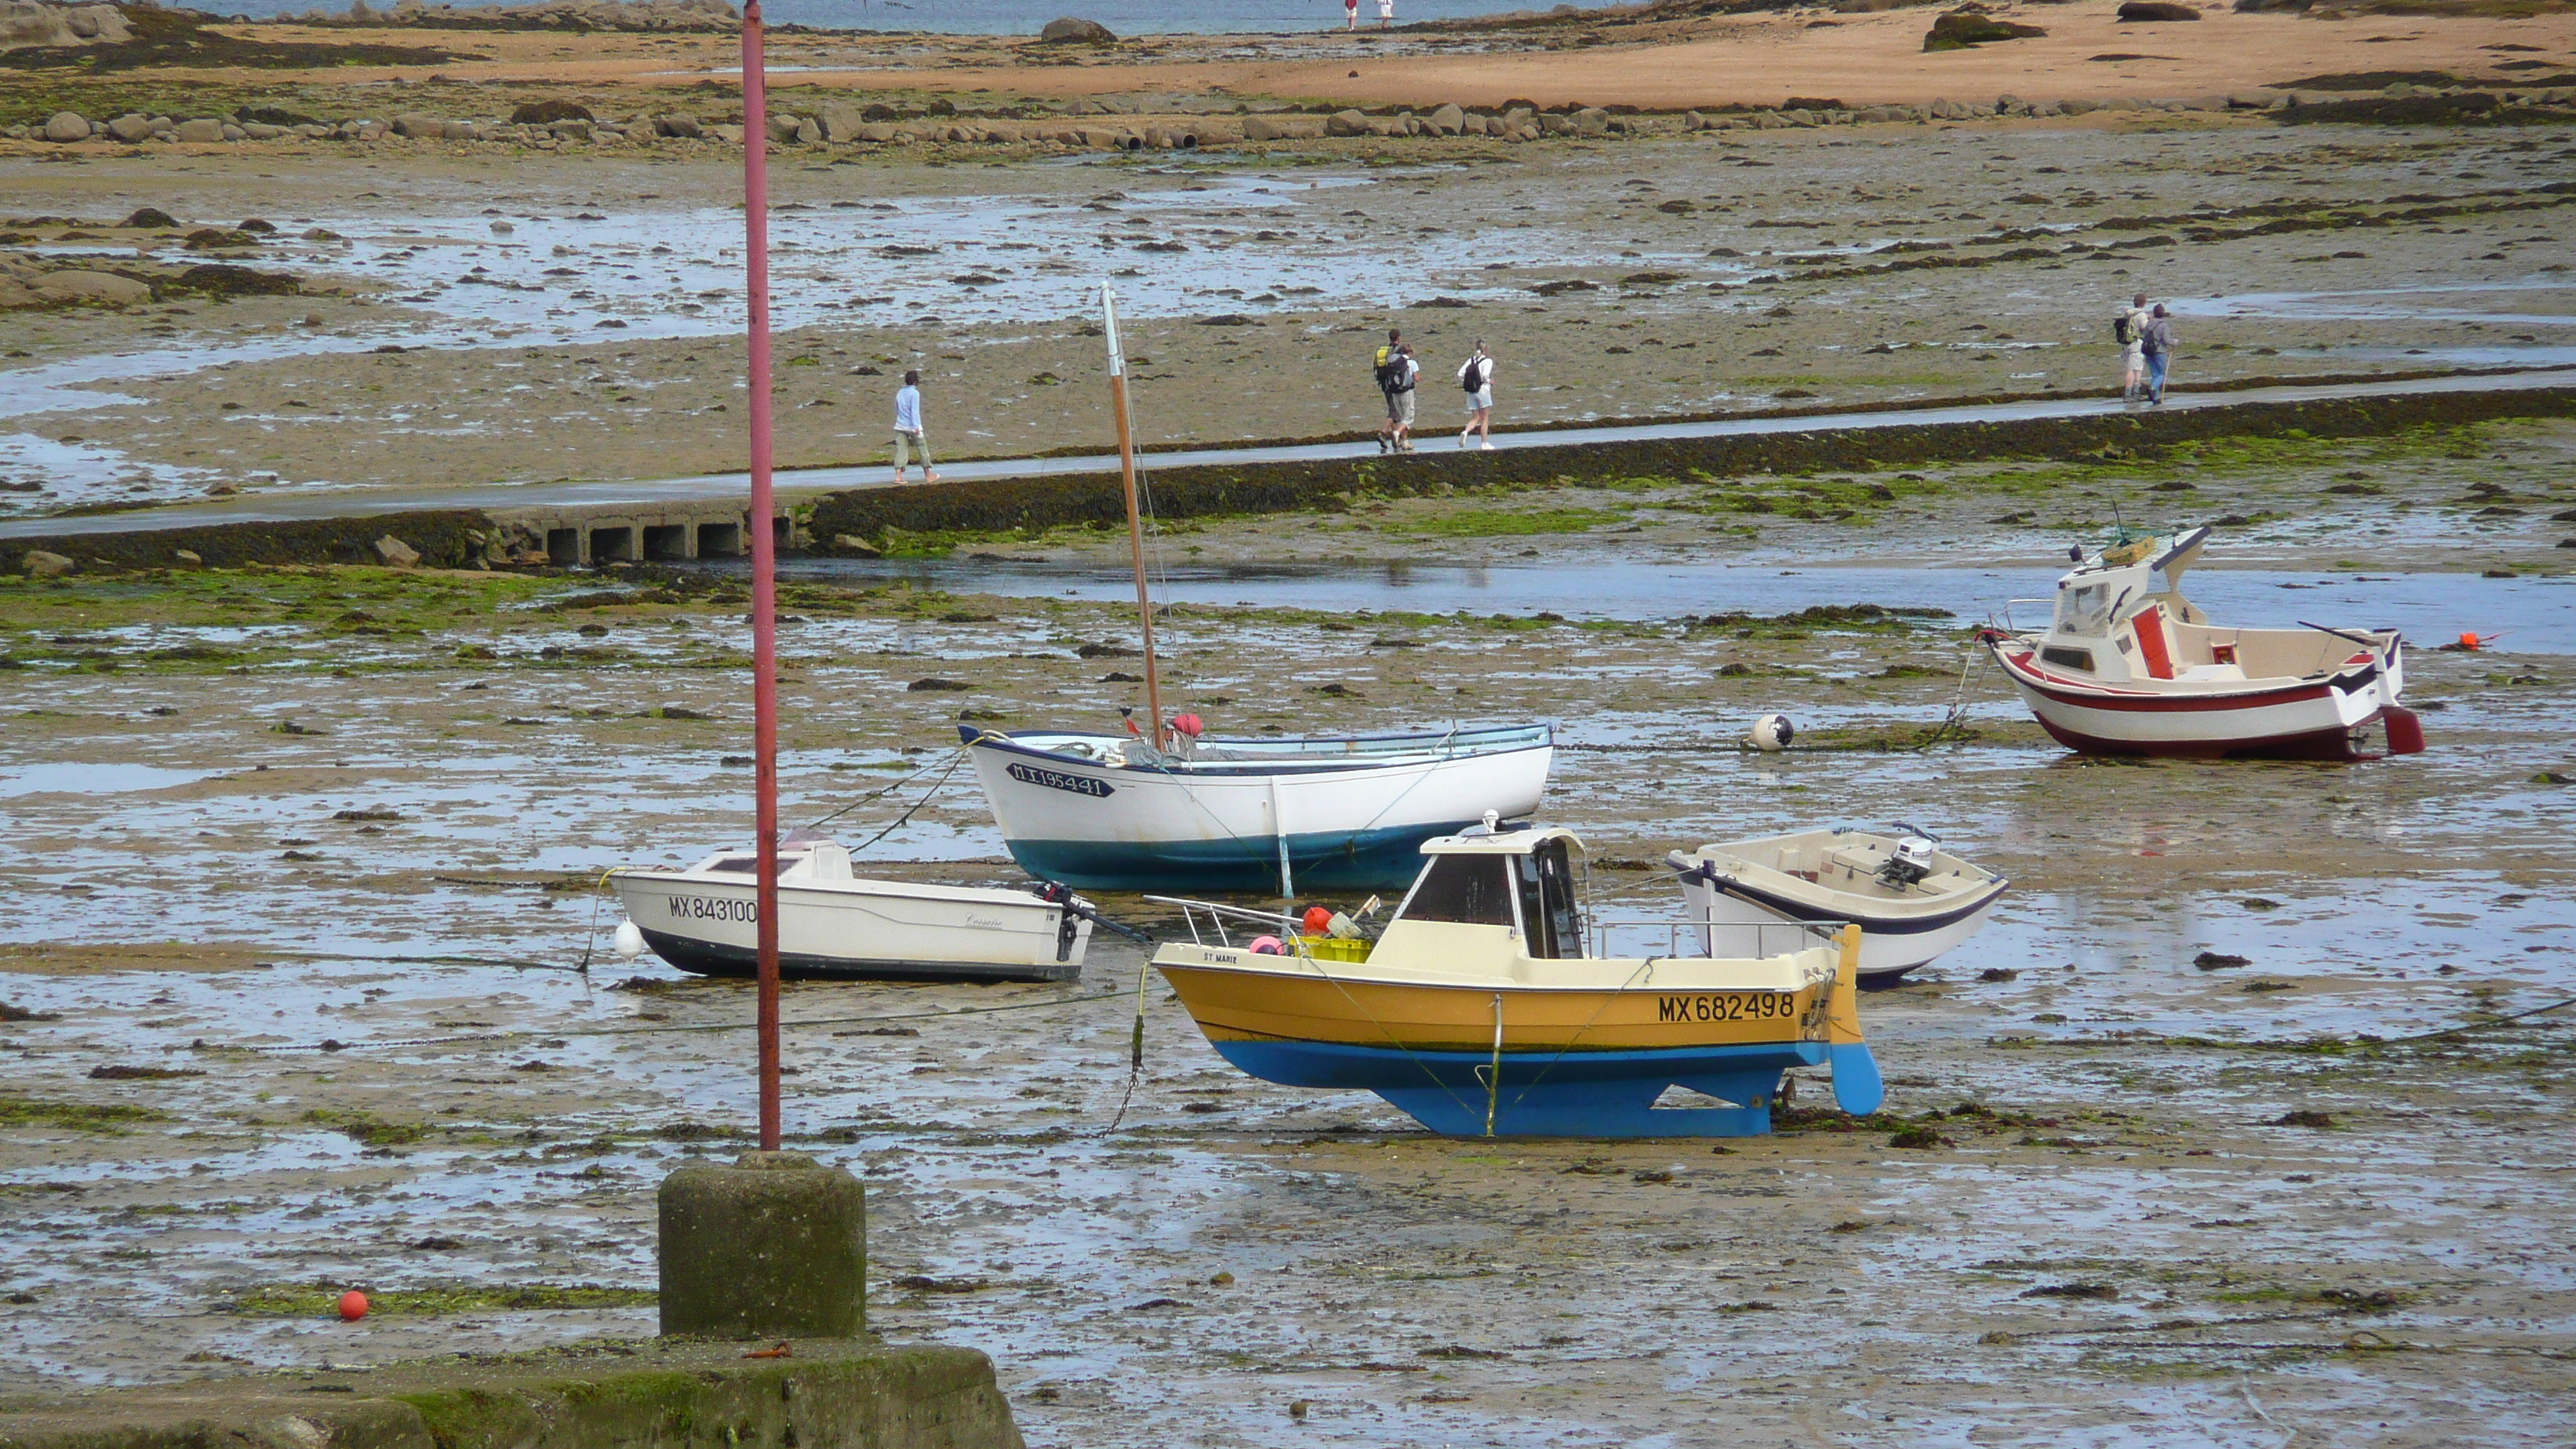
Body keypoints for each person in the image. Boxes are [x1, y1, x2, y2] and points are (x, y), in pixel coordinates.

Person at [892, 369, 937, 484]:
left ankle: (898, 477)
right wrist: (916, 427)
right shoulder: (915, 393)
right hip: (912, 426)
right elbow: (914, 411)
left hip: (900, 426)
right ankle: (928, 475)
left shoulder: (900, 392)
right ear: (916, 381)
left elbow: (897, 410)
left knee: (901, 450)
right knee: (922, 448)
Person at [1457, 341, 1494, 450]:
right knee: (1485, 418)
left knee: (1475, 417)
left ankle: (1466, 431)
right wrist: (1489, 381)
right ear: (1485, 350)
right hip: (1483, 390)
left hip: (1471, 392)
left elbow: (1460, 373)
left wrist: (1469, 381)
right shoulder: (1488, 361)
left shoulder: (1471, 360)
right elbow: (1486, 375)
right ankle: (1484, 443)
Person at [2118, 291, 2150, 402]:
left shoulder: (2128, 313)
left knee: (2134, 368)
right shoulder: (2141, 315)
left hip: (2126, 343)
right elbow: (2145, 328)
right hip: (2136, 343)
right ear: (2143, 303)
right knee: (2134, 369)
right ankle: (2130, 394)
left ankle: (2135, 392)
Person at [2142, 303, 2176, 406]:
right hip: (2159, 351)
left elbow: (2143, 336)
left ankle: (2155, 397)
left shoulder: (2148, 324)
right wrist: (2175, 342)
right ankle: (2152, 388)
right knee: (2162, 374)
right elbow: (2167, 340)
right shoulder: (2163, 325)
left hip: (2148, 351)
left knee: (2155, 373)